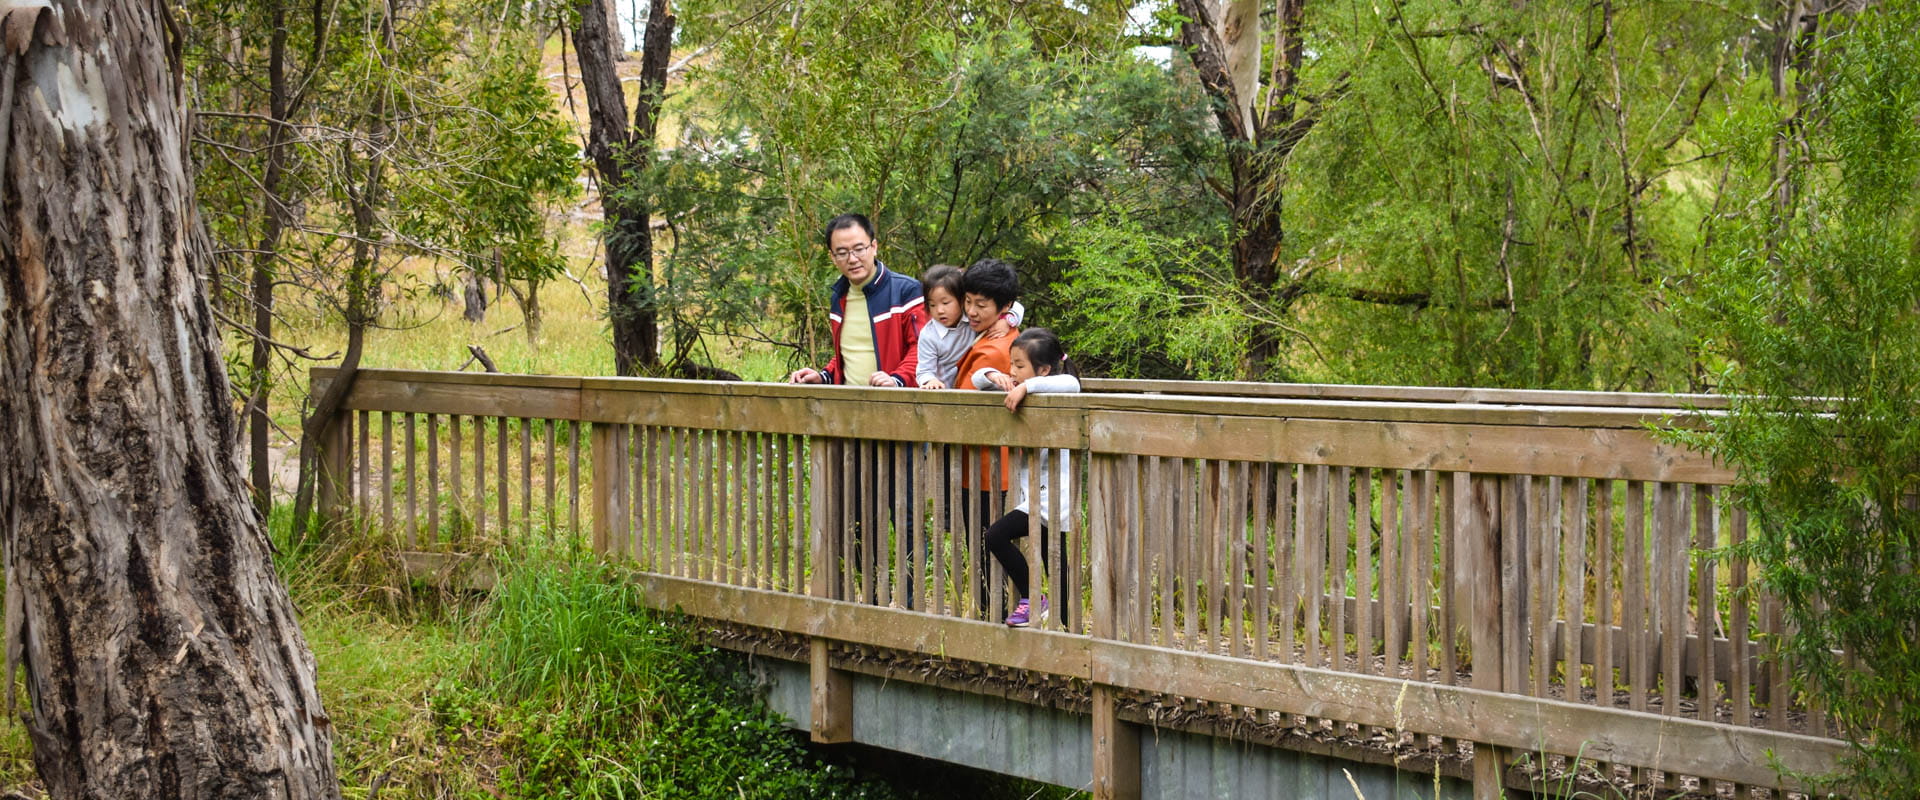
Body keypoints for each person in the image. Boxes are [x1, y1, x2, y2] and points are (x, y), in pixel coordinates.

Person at [971, 328, 1081, 627]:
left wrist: (1027, 387)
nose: (1013, 371)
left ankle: (1038, 603)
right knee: (1053, 559)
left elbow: (1071, 382)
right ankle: (1061, 622)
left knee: (1000, 537)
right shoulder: (1015, 385)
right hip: (1033, 492)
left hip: (1053, 494)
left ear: (1043, 370)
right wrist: (997, 377)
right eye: (1012, 364)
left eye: (1019, 365)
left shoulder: (1055, 388)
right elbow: (977, 378)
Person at [787, 213, 927, 387]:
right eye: (842, 253)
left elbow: (923, 349)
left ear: (874, 247)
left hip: (895, 404)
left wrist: (897, 380)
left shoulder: (906, 291)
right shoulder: (839, 297)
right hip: (849, 406)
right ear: (832, 257)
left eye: (859, 249)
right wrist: (824, 376)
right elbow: (849, 353)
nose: (852, 259)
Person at [915, 264, 1022, 390]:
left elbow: (1017, 307)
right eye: (968, 301)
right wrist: (930, 381)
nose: (971, 312)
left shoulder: (971, 323)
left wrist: (1007, 320)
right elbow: (924, 370)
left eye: (981, 305)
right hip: (940, 393)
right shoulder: (930, 335)